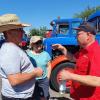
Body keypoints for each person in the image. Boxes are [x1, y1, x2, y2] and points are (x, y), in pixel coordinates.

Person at [52, 22, 100, 100]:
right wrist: (62, 49)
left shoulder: (96, 52)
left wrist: (70, 76)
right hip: (79, 94)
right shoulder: (83, 50)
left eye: (78, 34)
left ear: (88, 35)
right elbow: (73, 58)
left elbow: (97, 81)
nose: (75, 37)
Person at [0, 14, 43, 100]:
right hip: (17, 97)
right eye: (19, 29)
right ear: (9, 32)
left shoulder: (13, 47)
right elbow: (14, 80)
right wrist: (35, 73)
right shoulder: (10, 50)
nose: (23, 32)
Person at [27, 36, 51, 100]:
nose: (39, 44)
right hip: (32, 81)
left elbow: (49, 66)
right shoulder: (28, 55)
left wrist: (47, 78)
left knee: (43, 97)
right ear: (32, 44)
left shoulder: (45, 54)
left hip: (43, 80)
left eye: (40, 42)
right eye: (36, 43)